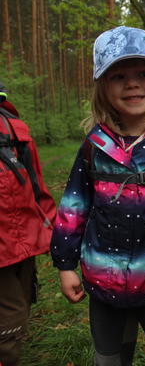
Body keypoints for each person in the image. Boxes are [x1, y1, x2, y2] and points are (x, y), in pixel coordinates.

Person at [50, 26, 145, 366]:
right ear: (102, 87)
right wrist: (65, 265)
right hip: (104, 283)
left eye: (143, 73)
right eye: (118, 76)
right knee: (109, 358)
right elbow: (74, 206)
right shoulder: (94, 146)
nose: (132, 83)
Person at [0, 81, 57, 366]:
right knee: (11, 319)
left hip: (18, 242)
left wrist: (53, 235)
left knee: (15, 316)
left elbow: (37, 188)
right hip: (15, 242)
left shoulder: (14, 130)